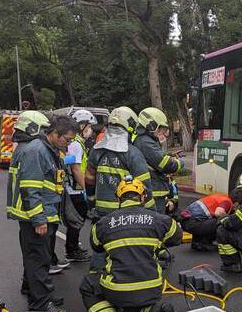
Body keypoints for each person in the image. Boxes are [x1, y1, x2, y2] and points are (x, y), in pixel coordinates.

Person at [79, 176, 181, 312]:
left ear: (119, 199)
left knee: (89, 283)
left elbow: (96, 246)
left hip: (116, 291)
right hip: (151, 289)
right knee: (137, 303)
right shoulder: (160, 220)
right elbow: (176, 237)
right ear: (142, 197)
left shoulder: (103, 224)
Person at [11, 114, 78, 312]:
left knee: (40, 258)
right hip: (36, 217)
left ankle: (39, 292)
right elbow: (30, 188)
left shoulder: (48, 150)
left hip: (45, 213)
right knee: (38, 260)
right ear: (55, 134)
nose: (69, 144)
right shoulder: (37, 151)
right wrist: (38, 219)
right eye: (67, 139)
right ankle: (40, 303)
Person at [85, 106, 152, 270]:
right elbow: (145, 188)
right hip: (124, 212)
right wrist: (152, 215)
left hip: (101, 211)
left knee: (101, 247)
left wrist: (92, 203)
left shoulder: (96, 150)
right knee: (124, 248)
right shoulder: (133, 154)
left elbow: (89, 179)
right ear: (130, 128)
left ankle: (95, 283)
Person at [62, 109, 97, 263]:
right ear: (81, 125)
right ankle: (72, 250)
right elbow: (76, 168)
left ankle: (73, 248)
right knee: (76, 221)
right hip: (76, 189)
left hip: (73, 187)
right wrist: (85, 187)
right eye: (88, 126)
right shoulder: (76, 144)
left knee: (76, 221)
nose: (90, 130)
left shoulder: (75, 142)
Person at [133, 107, 183, 214]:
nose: (163, 133)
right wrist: (180, 163)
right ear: (152, 125)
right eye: (161, 129)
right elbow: (165, 165)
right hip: (153, 192)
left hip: (155, 191)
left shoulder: (145, 140)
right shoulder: (145, 142)